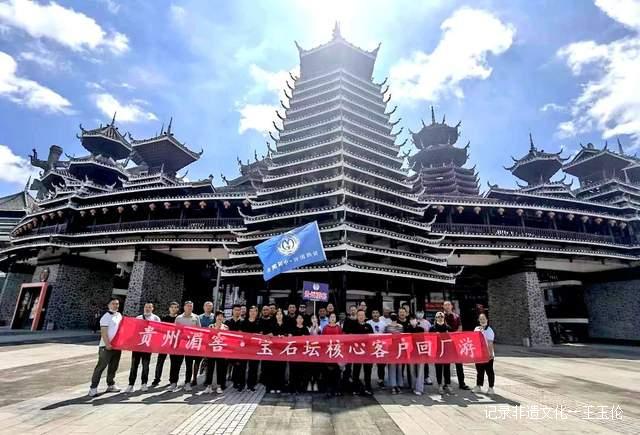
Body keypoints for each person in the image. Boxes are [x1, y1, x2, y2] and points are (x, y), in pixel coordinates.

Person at [88, 298, 123, 397]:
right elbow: (104, 332)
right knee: (100, 367)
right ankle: (93, 388)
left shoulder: (119, 315)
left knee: (113, 367)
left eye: (117, 304)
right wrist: (107, 344)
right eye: (113, 304)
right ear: (108, 305)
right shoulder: (105, 317)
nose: (115, 305)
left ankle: (111, 384)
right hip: (106, 347)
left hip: (117, 346)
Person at [125, 302, 160, 393]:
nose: (147, 308)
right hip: (138, 346)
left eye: (149, 307)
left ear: (152, 308)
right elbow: (134, 331)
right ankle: (131, 384)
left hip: (148, 346)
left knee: (145, 366)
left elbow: (159, 332)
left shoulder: (156, 318)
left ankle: (144, 383)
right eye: (146, 307)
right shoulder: (138, 318)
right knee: (134, 366)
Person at [170, 301, 201, 392]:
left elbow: (199, 330)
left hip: (190, 345)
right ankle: (174, 383)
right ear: (184, 307)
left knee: (189, 364)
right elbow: (175, 331)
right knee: (177, 365)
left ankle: (187, 382)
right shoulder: (178, 318)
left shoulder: (196, 317)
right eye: (187, 306)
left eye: (191, 306)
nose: (189, 308)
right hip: (180, 344)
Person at [151, 301, 179, 387]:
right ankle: (157, 379)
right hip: (164, 342)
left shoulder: (179, 319)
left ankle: (172, 380)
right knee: (160, 361)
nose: (173, 309)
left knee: (174, 363)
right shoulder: (164, 318)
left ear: (177, 309)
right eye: (172, 307)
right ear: (169, 308)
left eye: (175, 307)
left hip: (174, 343)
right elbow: (159, 330)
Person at [443, 300, 470, 390]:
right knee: (446, 365)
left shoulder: (456, 316)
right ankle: (447, 383)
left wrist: (454, 335)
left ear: (451, 306)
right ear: (443, 307)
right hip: (446, 343)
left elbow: (460, 328)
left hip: (456, 343)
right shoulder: (441, 316)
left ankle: (462, 383)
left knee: (459, 364)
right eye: (445, 305)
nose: (447, 307)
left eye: (448, 305)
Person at [204, 311, 228, 394]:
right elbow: (207, 338)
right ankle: (208, 386)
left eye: (221, 316)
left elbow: (227, 339)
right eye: (218, 316)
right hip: (212, 350)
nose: (220, 318)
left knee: (220, 369)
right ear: (216, 317)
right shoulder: (211, 326)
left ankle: (219, 386)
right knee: (210, 368)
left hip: (221, 351)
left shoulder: (226, 327)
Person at [264, 308, 287, 394]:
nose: (279, 316)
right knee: (273, 369)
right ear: (275, 316)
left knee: (281, 369)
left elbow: (289, 335)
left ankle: (280, 386)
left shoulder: (286, 325)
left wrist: (285, 336)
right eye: (277, 314)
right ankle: (272, 386)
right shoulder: (271, 324)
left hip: (283, 350)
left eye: (281, 314)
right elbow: (266, 335)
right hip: (273, 350)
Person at [351, 309, 374, 395]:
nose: (361, 316)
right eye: (359, 315)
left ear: (365, 316)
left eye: (362, 315)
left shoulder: (369, 326)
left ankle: (368, 387)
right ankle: (355, 388)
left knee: (368, 371)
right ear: (357, 316)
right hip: (357, 352)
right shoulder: (353, 325)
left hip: (367, 353)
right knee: (356, 371)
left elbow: (372, 338)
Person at [473, 313, 496, 394]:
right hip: (479, 354)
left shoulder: (489, 330)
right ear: (479, 321)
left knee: (489, 371)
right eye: (481, 319)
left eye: (484, 319)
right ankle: (478, 386)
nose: (482, 320)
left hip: (488, 354)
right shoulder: (476, 329)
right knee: (479, 371)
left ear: (487, 320)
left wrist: (490, 354)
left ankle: (491, 388)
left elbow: (490, 343)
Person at [430, 311, 452, 394]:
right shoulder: (432, 328)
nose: (440, 318)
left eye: (442, 316)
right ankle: (440, 385)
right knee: (438, 369)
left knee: (447, 369)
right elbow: (429, 340)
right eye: (438, 317)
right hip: (437, 351)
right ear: (436, 318)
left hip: (446, 351)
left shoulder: (448, 327)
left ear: (444, 318)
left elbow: (452, 339)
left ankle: (448, 384)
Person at [322, 312, 343, 396]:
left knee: (336, 372)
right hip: (328, 352)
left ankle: (336, 389)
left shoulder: (338, 328)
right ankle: (328, 389)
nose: (333, 318)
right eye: (331, 317)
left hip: (336, 352)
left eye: (334, 317)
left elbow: (342, 339)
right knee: (328, 372)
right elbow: (322, 340)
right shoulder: (325, 328)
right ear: (329, 318)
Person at [225, 304, 245, 390]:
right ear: (232, 311)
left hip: (240, 347)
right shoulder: (227, 322)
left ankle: (237, 383)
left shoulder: (244, 322)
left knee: (239, 365)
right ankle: (223, 382)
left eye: (239, 310)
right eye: (235, 310)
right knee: (228, 364)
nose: (237, 311)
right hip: (229, 347)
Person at [289, 314, 310, 394]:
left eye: (301, 318)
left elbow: (308, 341)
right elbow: (290, 340)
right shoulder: (292, 329)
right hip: (294, 354)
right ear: (296, 319)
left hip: (302, 354)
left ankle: (301, 388)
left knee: (302, 372)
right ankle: (293, 388)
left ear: (303, 320)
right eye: (298, 318)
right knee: (293, 371)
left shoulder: (305, 329)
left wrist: (305, 338)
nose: (300, 319)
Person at [242, 306, 261, 391]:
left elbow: (261, 334)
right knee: (242, 367)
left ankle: (251, 385)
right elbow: (241, 334)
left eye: (254, 311)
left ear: (257, 313)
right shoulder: (244, 322)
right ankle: (241, 384)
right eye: (251, 311)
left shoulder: (259, 322)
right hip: (245, 348)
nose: (253, 313)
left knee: (253, 367)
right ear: (248, 312)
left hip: (255, 348)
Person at [385, 313, 404, 394]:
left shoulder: (401, 326)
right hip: (391, 349)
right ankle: (393, 386)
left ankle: (399, 385)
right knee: (392, 367)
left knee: (399, 368)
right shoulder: (387, 327)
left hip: (399, 349)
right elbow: (385, 337)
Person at [405, 318, 425, 395]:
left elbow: (423, 340)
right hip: (410, 352)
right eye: (411, 320)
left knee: (420, 371)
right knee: (412, 370)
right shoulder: (407, 329)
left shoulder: (421, 329)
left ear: (417, 321)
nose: (413, 321)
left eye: (414, 320)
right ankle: (413, 386)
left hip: (420, 351)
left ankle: (419, 388)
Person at [367, 309, 387, 388]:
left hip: (380, 347)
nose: (375, 314)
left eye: (377, 313)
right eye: (373, 313)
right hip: (371, 346)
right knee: (369, 365)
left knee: (381, 365)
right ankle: (368, 381)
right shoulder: (368, 323)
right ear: (371, 314)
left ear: (379, 314)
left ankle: (381, 380)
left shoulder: (383, 324)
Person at [415, 311, 433, 386]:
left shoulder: (427, 322)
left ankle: (426, 377)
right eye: (418, 312)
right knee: (416, 362)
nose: (420, 314)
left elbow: (431, 333)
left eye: (421, 312)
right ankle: (417, 377)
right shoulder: (414, 321)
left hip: (424, 344)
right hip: (415, 344)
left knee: (425, 362)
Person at [307, 314, 322, 392]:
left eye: (315, 318)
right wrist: (312, 327)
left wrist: (316, 327)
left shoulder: (320, 328)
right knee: (310, 367)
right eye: (312, 318)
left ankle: (315, 382)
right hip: (309, 350)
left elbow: (320, 334)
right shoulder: (308, 328)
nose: (314, 319)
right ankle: (309, 382)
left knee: (316, 367)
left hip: (317, 351)